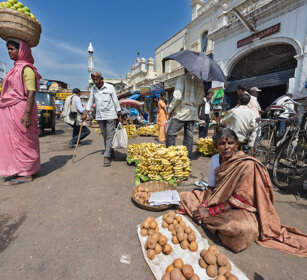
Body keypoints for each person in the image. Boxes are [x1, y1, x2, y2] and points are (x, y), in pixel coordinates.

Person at [179, 128, 307, 256]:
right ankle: (206, 218)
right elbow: (211, 187)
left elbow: (243, 198)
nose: (226, 147)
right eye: (222, 144)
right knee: (186, 197)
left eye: (230, 143)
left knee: (238, 229)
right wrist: (203, 205)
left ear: (237, 145)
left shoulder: (247, 164)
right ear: (216, 145)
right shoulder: (214, 159)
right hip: (219, 198)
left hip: (241, 207)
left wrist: (210, 211)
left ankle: (207, 219)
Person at [0, 39, 41, 185]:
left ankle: (26, 173)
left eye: (13, 49)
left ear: (21, 50)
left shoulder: (27, 70)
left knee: (23, 141)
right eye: (9, 49)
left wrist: (27, 114)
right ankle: (21, 168)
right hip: (13, 110)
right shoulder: (15, 69)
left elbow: (31, 93)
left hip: (22, 110)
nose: (10, 52)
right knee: (14, 142)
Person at [82, 71, 122, 167]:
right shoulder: (93, 89)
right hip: (100, 116)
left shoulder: (110, 87)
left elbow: (116, 102)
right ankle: (110, 150)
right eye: (93, 80)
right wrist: (85, 112)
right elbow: (91, 101)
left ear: (101, 79)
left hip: (111, 116)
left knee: (109, 136)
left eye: (96, 79)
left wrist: (119, 114)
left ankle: (106, 156)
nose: (95, 81)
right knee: (105, 135)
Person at [166, 71, 204, 158]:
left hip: (181, 112)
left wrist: (170, 109)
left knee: (170, 134)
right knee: (189, 136)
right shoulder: (200, 82)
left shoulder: (182, 78)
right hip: (193, 113)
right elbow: (201, 100)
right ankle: (187, 158)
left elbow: (177, 97)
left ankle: (171, 158)